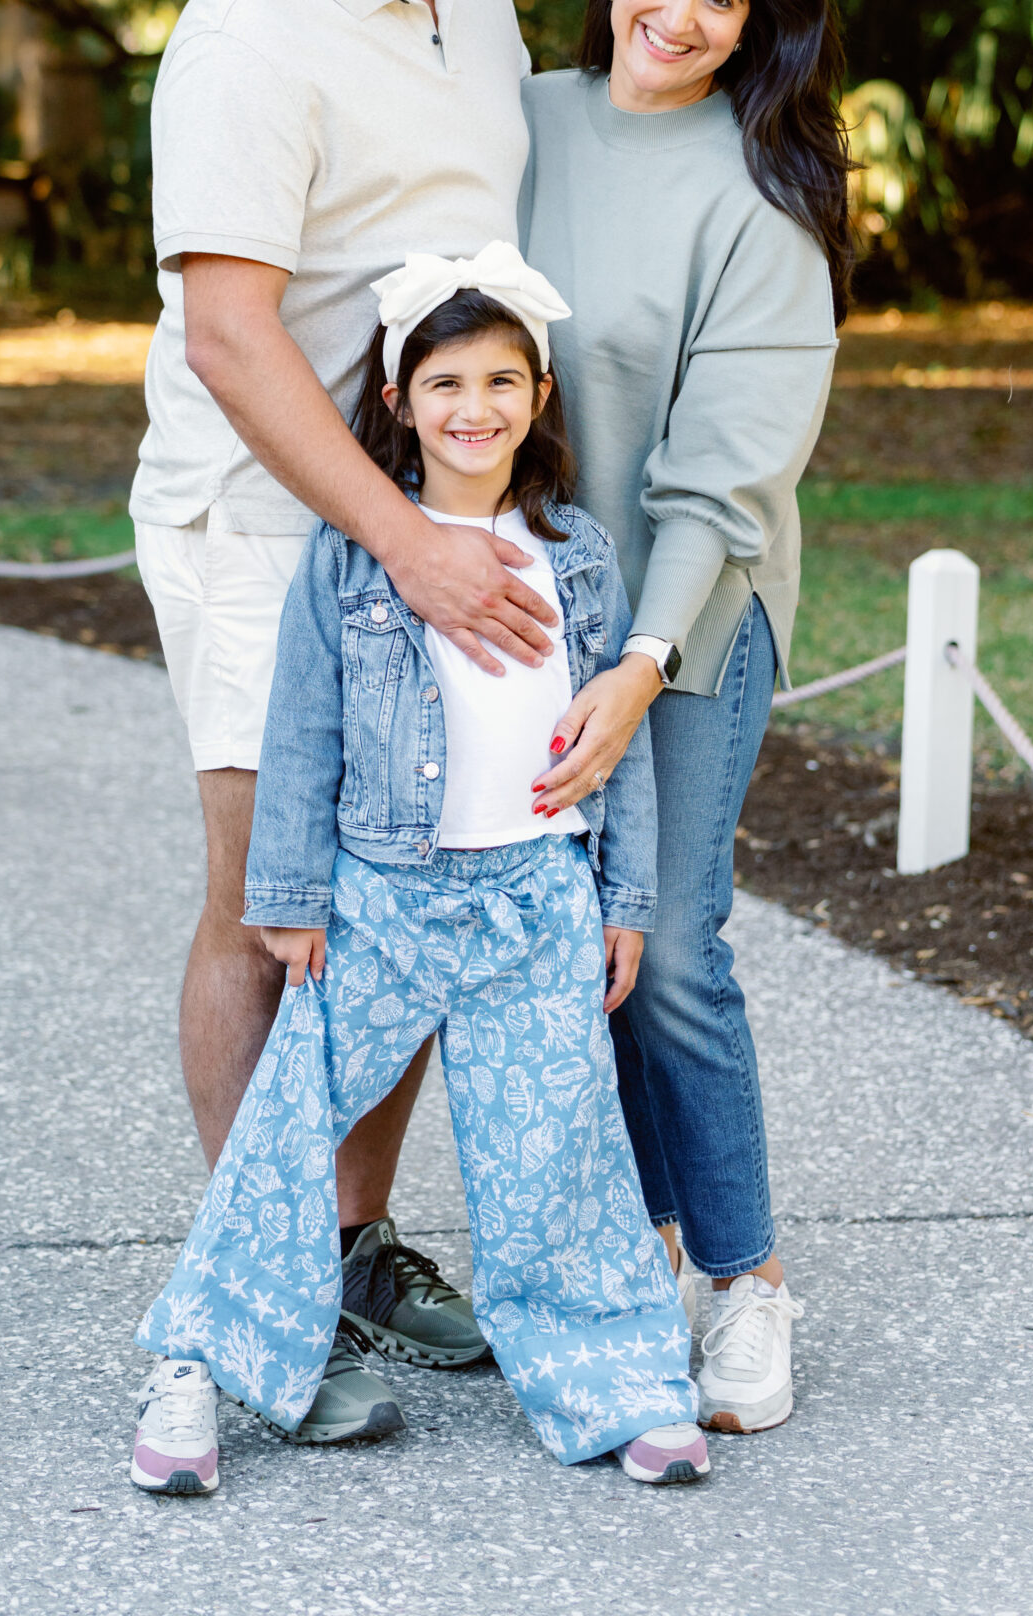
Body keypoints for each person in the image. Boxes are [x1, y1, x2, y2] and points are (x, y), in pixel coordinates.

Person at [129, 0, 561, 1445]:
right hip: (265, 523)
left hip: (437, 528)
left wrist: (464, 536)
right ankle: (263, 1301)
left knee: (415, 898)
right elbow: (232, 340)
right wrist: (400, 542)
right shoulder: (246, 30)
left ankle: (352, 1245)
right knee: (273, 902)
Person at [131, 252, 708, 1492]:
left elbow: (625, 748)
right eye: (445, 379)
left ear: (539, 393)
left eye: (504, 379)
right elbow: (300, 733)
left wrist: (623, 898)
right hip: (380, 902)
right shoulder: (356, 559)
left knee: (557, 1150)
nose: (475, 405)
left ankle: (620, 1382)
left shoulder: (581, 555)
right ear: (398, 397)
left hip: (538, 900)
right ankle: (200, 1367)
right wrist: (286, 899)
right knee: (286, 1136)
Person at [518, 0, 851, 1438]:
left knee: (669, 950)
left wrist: (638, 661)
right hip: (524, 612)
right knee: (580, 960)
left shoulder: (760, 188)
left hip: (692, 614)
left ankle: (746, 1284)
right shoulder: (517, 122)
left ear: (749, 25)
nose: (683, 17)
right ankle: (637, 1262)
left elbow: (723, 474)